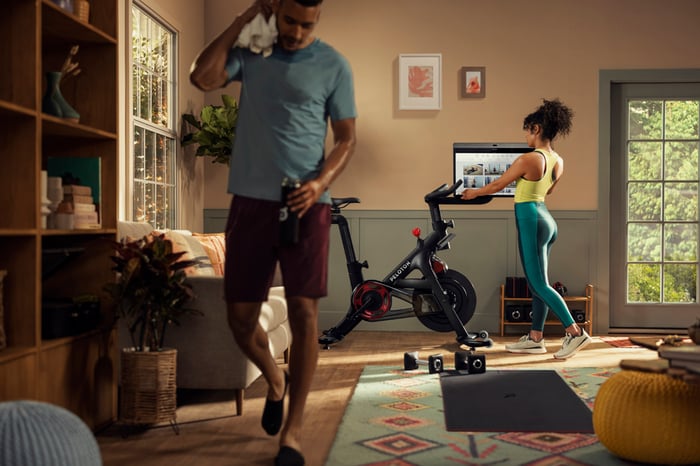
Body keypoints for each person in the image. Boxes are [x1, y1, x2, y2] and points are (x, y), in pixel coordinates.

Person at [189, 0, 356, 465]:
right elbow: (202, 77)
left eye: (308, 24)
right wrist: (243, 20)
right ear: (275, 10)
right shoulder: (253, 50)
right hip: (250, 204)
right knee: (241, 322)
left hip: (307, 204)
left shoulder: (333, 65)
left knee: (304, 313)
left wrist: (320, 182)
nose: (299, 32)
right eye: (290, 21)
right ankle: (274, 378)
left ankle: (294, 433)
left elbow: (346, 138)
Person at [462, 98, 591, 359]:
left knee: (538, 284)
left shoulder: (528, 159)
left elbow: (498, 185)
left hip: (530, 219)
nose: (525, 136)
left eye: (527, 130)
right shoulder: (557, 160)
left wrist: (474, 192)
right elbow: (549, 189)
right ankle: (535, 337)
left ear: (536, 128)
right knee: (538, 284)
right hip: (546, 218)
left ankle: (575, 332)